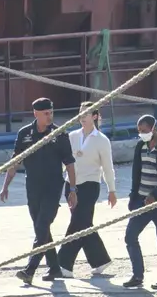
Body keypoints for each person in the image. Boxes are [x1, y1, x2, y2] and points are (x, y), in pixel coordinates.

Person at [0, 97, 77, 285]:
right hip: (33, 187)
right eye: (46, 113)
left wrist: (72, 189)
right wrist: (5, 186)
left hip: (53, 187)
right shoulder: (25, 134)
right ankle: (55, 267)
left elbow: (70, 164)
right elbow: (15, 161)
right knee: (41, 228)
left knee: (42, 226)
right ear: (36, 113)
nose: (50, 116)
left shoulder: (59, 134)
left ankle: (30, 269)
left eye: (51, 113)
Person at [57, 101, 116, 278]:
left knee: (78, 223)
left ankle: (63, 263)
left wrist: (111, 190)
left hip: (90, 185)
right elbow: (64, 161)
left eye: (86, 114)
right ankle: (100, 260)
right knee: (83, 223)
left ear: (95, 116)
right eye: (80, 113)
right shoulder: (72, 136)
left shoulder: (102, 140)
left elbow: (107, 167)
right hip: (72, 184)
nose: (82, 117)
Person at [123, 115, 157, 290]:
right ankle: (138, 275)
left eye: (144, 130)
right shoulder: (141, 145)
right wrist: (133, 197)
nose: (141, 134)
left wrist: (155, 195)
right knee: (130, 236)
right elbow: (136, 173)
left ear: (154, 128)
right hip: (141, 199)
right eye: (139, 131)